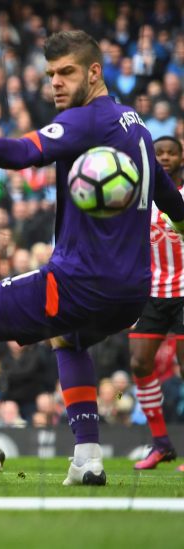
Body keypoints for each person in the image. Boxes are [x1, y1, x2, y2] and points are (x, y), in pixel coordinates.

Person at [0, 30, 184, 485]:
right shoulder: (137, 128)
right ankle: (87, 457)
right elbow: (173, 205)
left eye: (66, 72)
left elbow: (25, 153)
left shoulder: (88, 122)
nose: (56, 83)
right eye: (50, 75)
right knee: (68, 341)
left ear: (94, 72)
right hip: (131, 294)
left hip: (79, 282)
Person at [127, 136, 184, 472]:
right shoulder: (140, 197)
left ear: (181, 157)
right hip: (154, 293)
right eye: (158, 153)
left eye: (170, 153)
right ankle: (161, 445)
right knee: (139, 364)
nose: (164, 157)